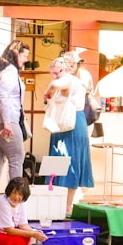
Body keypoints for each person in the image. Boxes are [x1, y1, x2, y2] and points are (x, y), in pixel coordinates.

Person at [45, 57, 93, 215]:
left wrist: (48, 92)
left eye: (56, 72)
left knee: (69, 163)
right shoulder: (72, 81)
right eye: (52, 73)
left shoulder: (69, 80)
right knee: (58, 163)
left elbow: (54, 84)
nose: (54, 76)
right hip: (64, 125)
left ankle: (66, 206)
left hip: (72, 125)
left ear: (65, 70)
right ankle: (57, 203)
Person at [0, 40, 30, 200]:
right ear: (16, 54)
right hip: (4, 120)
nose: (25, 59)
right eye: (24, 56)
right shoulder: (10, 71)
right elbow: (3, 96)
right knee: (17, 157)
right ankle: (14, 198)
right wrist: (8, 122)